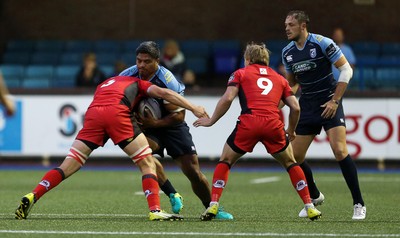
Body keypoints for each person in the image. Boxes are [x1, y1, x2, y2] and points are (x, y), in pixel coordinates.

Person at [15, 75, 209, 221]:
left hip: (93, 114)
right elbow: (166, 93)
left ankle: (33, 195)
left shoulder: (107, 82)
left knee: (67, 165)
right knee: (147, 162)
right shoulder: (140, 83)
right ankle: (155, 211)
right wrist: (193, 107)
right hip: (116, 112)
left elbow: (104, 101)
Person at [193, 42, 321, 221]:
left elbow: (228, 98)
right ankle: (309, 206)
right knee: (291, 163)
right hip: (273, 124)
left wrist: (212, 120)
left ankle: (213, 204)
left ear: (248, 59)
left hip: (249, 122)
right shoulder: (280, 78)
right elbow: (296, 108)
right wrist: (291, 130)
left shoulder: (240, 73)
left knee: (226, 160)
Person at [119, 41, 232, 219]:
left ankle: (212, 208)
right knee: (143, 155)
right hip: (148, 127)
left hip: (172, 127)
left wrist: (154, 124)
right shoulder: (127, 76)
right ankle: (172, 193)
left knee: (193, 171)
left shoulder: (168, 80)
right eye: (139, 60)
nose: (141, 65)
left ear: (157, 61)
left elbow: (179, 116)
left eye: (146, 61)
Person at [281, 10, 366, 220]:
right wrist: (280, 102)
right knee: (294, 157)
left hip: (330, 101)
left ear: (303, 26)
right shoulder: (287, 52)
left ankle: (359, 203)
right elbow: (292, 84)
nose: (287, 28)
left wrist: (335, 100)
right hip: (307, 105)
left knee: (339, 150)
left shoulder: (322, 43)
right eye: (285, 25)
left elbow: (346, 70)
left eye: (291, 25)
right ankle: (315, 195)